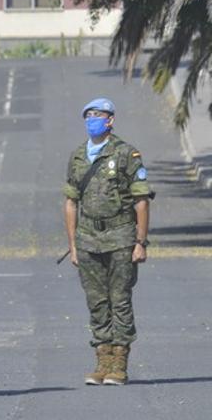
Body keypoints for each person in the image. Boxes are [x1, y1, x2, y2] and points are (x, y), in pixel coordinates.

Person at [63, 98, 151, 386]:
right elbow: (70, 202)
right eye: (88, 115)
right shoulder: (78, 156)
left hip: (121, 237)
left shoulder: (126, 153)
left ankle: (120, 363)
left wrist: (141, 241)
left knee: (120, 301)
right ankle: (102, 360)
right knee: (96, 303)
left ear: (110, 120)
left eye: (98, 115)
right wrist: (73, 245)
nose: (93, 119)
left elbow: (141, 200)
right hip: (88, 240)